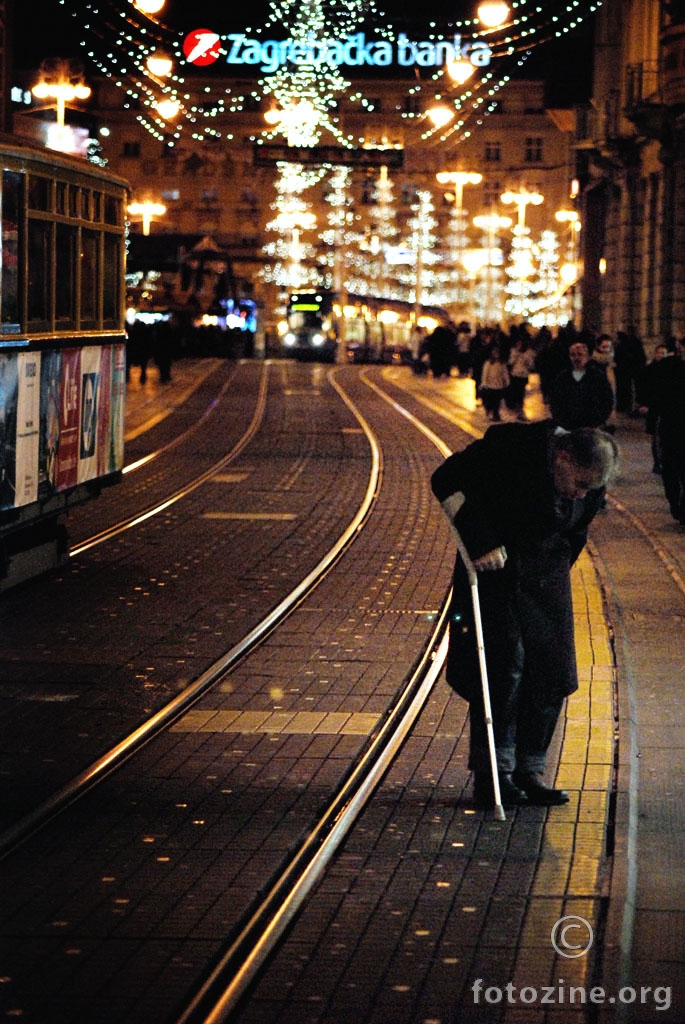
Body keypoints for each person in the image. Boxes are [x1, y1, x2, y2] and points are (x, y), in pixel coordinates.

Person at [431, 422, 620, 809]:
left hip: (546, 574)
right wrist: (481, 540)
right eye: (579, 484)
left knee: (550, 669)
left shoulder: (591, 472)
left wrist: (560, 564)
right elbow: (445, 478)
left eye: (590, 489)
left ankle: (529, 771)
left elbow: (577, 527)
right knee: (504, 666)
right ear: (562, 458)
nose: (582, 493)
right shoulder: (511, 448)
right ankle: (493, 775)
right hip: (496, 568)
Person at [649, 336, 685, 524]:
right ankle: (675, 502)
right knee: (670, 468)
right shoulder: (668, 367)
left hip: (673, 425)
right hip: (671, 425)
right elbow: (656, 395)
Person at [548, 338, 615, 431]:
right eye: (573, 355)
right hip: (568, 425)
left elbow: (607, 399)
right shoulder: (563, 377)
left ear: (587, 356)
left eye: (580, 354)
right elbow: (555, 399)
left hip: (591, 425)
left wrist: (598, 419)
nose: (576, 358)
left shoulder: (597, 376)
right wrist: (560, 420)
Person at [479, 344, 509, 421]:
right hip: (490, 385)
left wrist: (507, 381)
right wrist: (484, 383)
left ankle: (496, 414)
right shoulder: (488, 363)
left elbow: (505, 373)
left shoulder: (502, 363)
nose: (496, 354)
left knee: (497, 401)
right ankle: (490, 412)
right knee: (491, 401)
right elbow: (485, 374)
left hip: (499, 385)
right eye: (494, 352)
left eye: (497, 352)